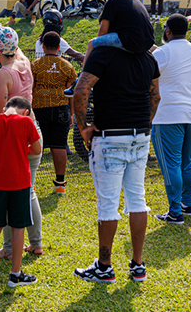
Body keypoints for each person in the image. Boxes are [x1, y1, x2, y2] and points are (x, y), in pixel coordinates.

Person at [72, 18, 160, 284]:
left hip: (110, 136)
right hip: (140, 135)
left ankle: (105, 266)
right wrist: (146, 122)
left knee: (107, 203)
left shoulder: (102, 54)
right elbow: (155, 96)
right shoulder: (148, 58)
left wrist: (83, 126)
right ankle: (137, 264)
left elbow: (81, 90)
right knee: (137, 199)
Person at [0, 25, 43, 259]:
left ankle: (9, 248)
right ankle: (36, 243)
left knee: (9, 192)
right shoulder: (24, 61)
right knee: (28, 190)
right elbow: (13, 48)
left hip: (11, 138)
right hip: (32, 131)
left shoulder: (2, 75)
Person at [0, 96, 41, 288]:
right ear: (25, 111)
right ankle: (15, 275)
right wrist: (20, 146)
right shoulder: (27, 122)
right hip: (20, 183)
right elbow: (36, 150)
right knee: (18, 227)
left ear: (5, 108)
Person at [150, 14, 191, 224]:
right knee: (187, 161)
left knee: (171, 164)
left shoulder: (163, 52)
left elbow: (149, 79)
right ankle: (187, 203)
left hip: (168, 113)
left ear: (168, 31)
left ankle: (175, 211)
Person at [31, 31, 76, 194]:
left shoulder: (34, 65)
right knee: (59, 144)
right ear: (59, 47)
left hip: (39, 108)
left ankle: (32, 183)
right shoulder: (68, 66)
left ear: (42, 46)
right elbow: (70, 92)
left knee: (37, 145)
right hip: (61, 108)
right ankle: (60, 184)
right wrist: (71, 113)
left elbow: (31, 89)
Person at [83, 0, 154, 59]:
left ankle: (83, 72)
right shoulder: (137, 2)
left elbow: (102, 32)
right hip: (147, 41)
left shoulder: (112, 3)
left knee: (91, 43)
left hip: (129, 42)